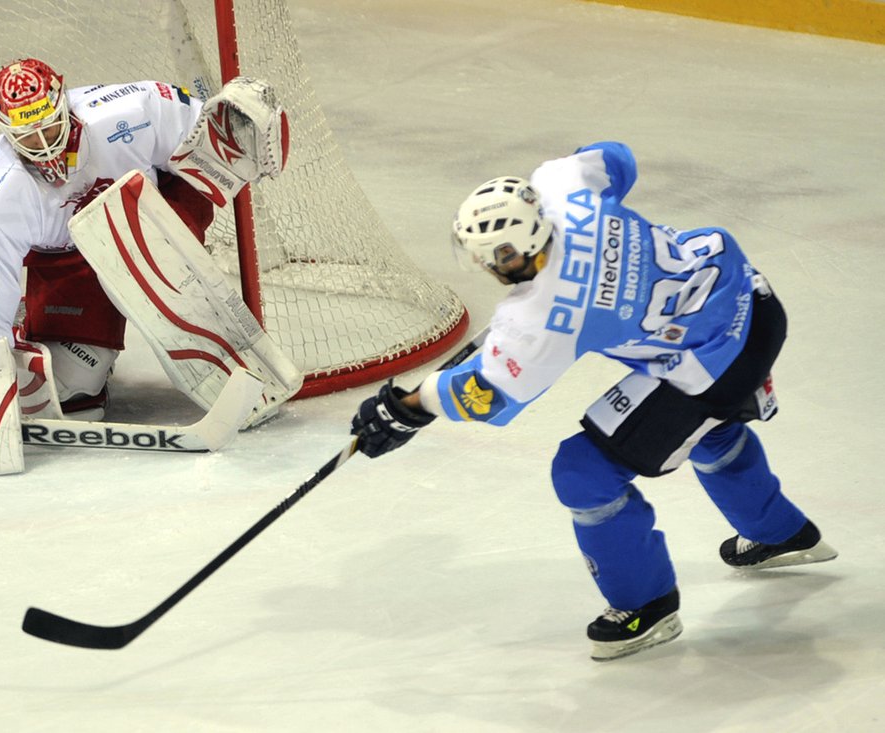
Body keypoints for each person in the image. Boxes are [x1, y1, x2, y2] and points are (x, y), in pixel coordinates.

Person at [349, 141, 836, 662]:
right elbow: (615, 158)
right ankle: (782, 534)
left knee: (584, 472)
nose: (486, 266)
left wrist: (411, 402)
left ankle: (647, 605)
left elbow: (489, 395)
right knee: (704, 428)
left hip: (715, 357)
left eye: (493, 257)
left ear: (515, 254)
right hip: (748, 297)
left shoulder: (541, 319)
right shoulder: (561, 188)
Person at [0, 58, 286, 420]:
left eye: (49, 127)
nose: (43, 145)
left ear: (62, 104)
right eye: (26, 135)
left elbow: (209, 142)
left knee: (149, 250)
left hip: (153, 220)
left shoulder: (136, 110)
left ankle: (226, 356)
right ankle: (37, 330)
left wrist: (242, 130)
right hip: (69, 263)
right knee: (70, 396)